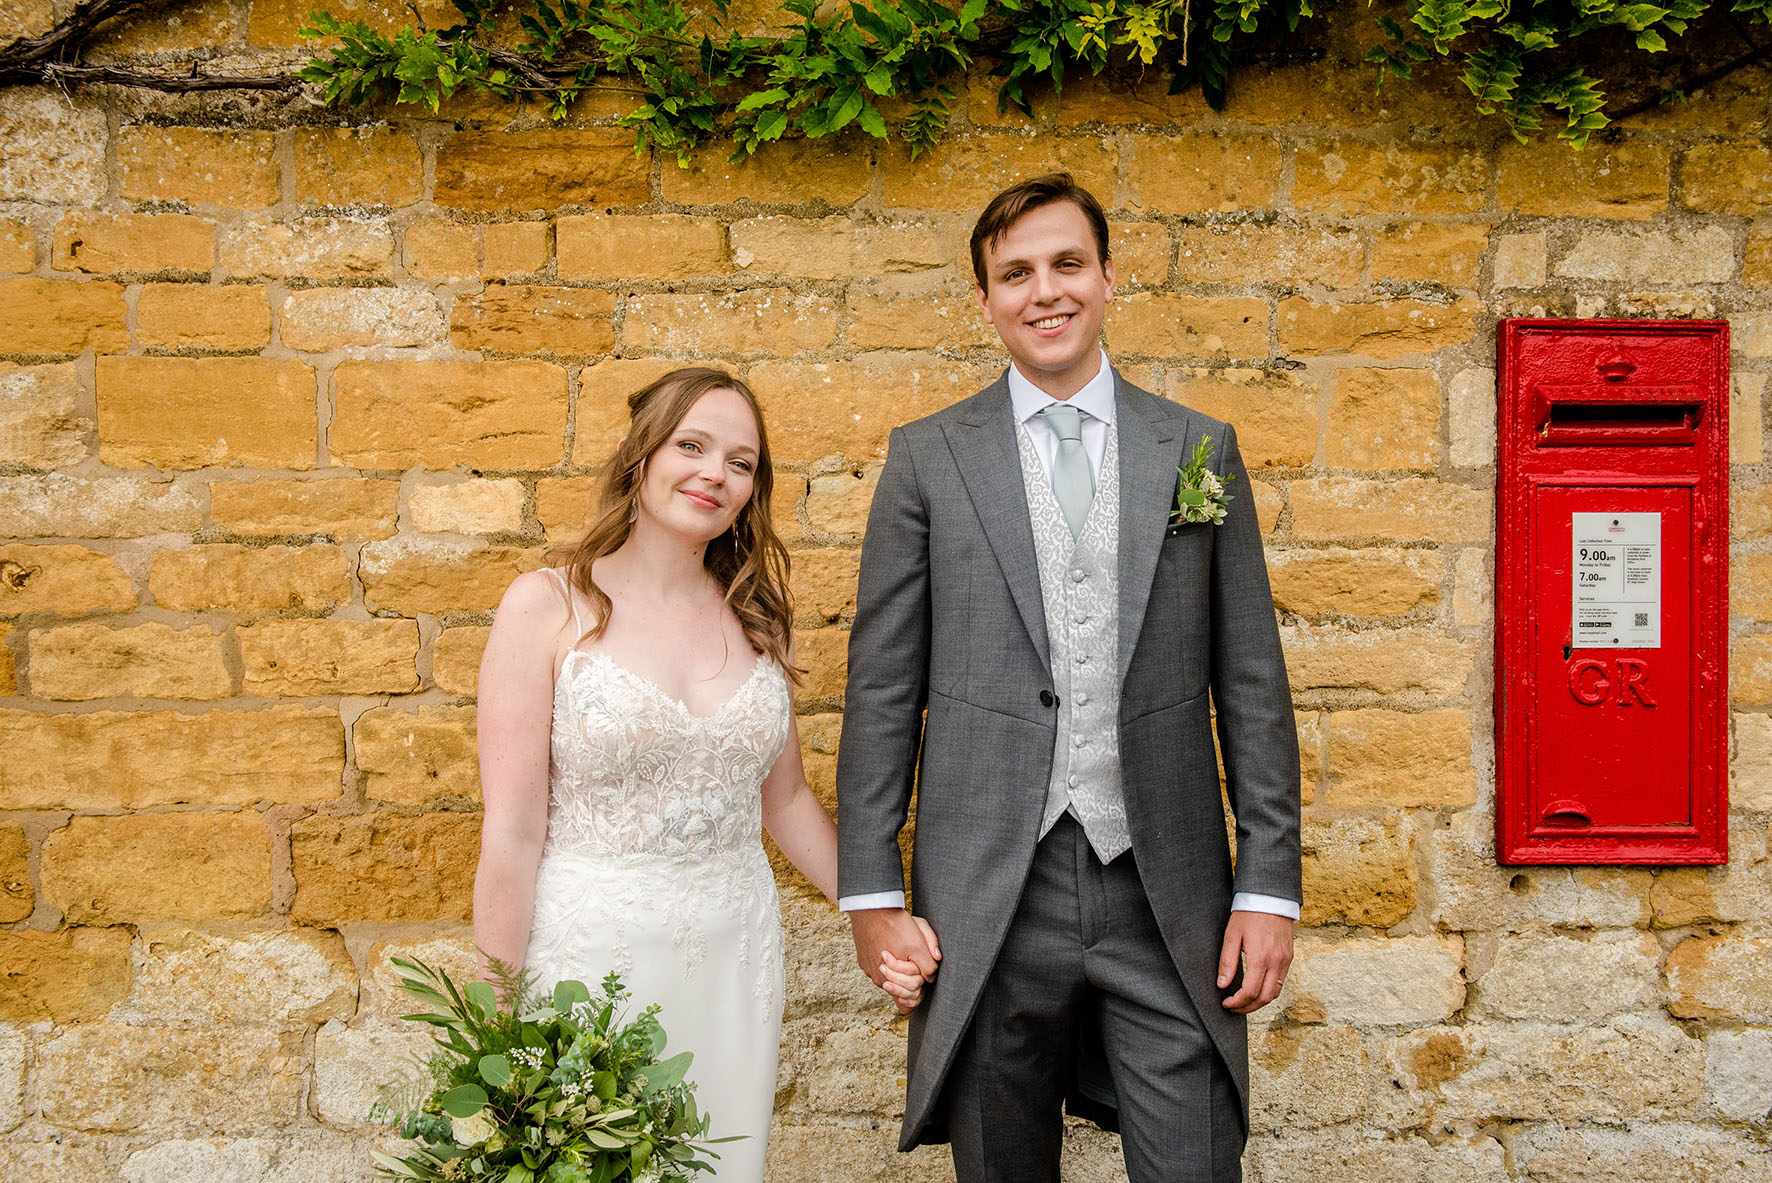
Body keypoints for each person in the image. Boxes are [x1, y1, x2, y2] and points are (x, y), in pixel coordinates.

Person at [837, 175, 1302, 1182]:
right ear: (984, 301)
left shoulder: (1197, 448)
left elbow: (1251, 683)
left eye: (1065, 264)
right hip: (987, 894)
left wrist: (1268, 885)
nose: (1043, 291)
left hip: (1167, 888)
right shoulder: (926, 459)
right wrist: (872, 892)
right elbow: (882, 690)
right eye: (1014, 274)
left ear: (1107, 278)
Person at [472, 367, 939, 1182]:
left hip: (733, 962)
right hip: (591, 959)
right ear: (641, 454)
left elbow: (786, 801)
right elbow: (511, 831)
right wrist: (493, 1024)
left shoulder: (755, 618)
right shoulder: (545, 606)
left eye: (740, 462)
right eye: (691, 445)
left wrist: (881, 912)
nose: (714, 474)